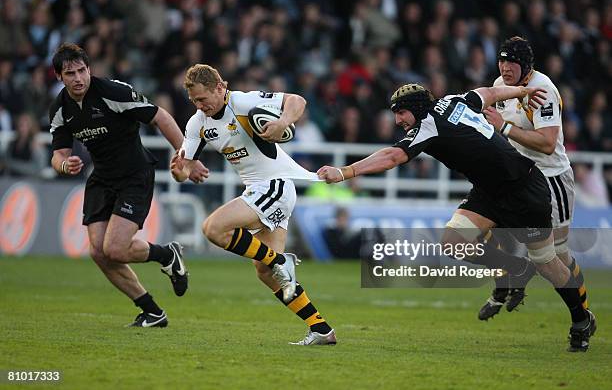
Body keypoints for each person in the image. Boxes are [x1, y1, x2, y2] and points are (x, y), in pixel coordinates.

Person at [318, 82, 596, 352]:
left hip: (524, 190)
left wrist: (345, 172)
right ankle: (516, 268)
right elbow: (488, 93)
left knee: (547, 262)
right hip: (488, 191)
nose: (397, 120)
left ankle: (581, 319)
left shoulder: (428, 124)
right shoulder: (454, 100)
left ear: (415, 108)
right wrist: (522, 91)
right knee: (453, 241)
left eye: (401, 112)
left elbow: (392, 156)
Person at [169, 64, 336, 345]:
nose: (200, 106)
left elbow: (297, 101)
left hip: (275, 184)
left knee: (213, 228)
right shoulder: (197, 123)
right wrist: (178, 171)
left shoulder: (244, 102)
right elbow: (184, 168)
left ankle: (282, 261)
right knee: (265, 271)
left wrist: (283, 122)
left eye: (203, 99)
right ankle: (321, 329)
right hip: (260, 189)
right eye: (194, 101)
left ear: (220, 88)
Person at [49, 43, 197, 328]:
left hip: (134, 175)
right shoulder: (60, 108)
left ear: (90, 69)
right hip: (101, 178)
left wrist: (185, 158)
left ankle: (167, 254)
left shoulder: (112, 92)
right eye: (70, 73)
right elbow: (58, 155)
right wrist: (65, 165)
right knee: (98, 252)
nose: (78, 78)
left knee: (115, 249)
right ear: (59, 77)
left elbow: (161, 116)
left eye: (82, 70)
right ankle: (152, 312)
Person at [478, 36, 589, 321]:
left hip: (551, 179)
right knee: (483, 231)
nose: (505, 67)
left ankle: (583, 314)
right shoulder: (500, 86)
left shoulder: (543, 90)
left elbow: (547, 143)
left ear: (526, 65)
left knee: (556, 257)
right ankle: (506, 282)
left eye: (511, 61)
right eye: (502, 60)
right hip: (516, 177)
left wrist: (503, 128)